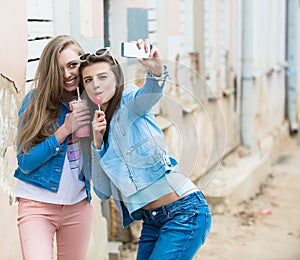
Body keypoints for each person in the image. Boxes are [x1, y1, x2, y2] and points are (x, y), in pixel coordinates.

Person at [79, 39, 211, 259]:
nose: (96, 85)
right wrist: (98, 143)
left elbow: (149, 94)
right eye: (88, 80)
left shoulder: (130, 100)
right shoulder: (96, 126)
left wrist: (157, 72)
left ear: (116, 78)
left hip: (184, 212)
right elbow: (103, 191)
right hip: (152, 220)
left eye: (103, 77)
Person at [14, 35, 93, 260]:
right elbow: (25, 163)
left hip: (77, 204)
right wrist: (64, 131)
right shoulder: (35, 102)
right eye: (59, 69)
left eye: (72, 65)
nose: (68, 74)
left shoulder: (93, 102)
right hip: (37, 206)